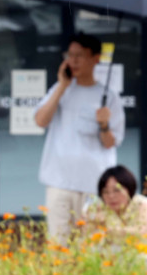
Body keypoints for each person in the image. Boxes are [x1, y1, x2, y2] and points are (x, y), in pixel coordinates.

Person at [34, 33, 125, 244]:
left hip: (94, 184)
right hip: (59, 182)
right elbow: (40, 120)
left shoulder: (109, 97)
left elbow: (111, 142)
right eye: (70, 55)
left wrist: (104, 124)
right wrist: (62, 86)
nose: (73, 60)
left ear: (95, 58)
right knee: (59, 246)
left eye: (80, 55)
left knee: (92, 246)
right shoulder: (60, 90)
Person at [83, 165, 147, 264]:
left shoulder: (142, 204)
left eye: (117, 190)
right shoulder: (100, 208)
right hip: (129, 257)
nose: (111, 196)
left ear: (129, 189)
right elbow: (87, 238)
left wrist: (105, 227)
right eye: (105, 192)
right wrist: (90, 222)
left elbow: (137, 234)